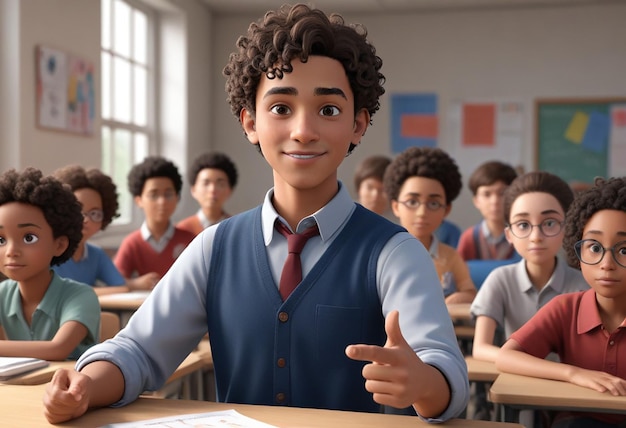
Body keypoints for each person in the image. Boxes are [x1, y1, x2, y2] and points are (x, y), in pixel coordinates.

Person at [42, 4, 469, 423]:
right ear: (249, 123)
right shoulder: (214, 247)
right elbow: (138, 351)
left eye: (329, 110)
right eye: (281, 108)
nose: (303, 130)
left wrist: (424, 384)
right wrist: (85, 388)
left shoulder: (394, 252)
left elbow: (444, 371)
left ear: (358, 124)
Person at [496, 176, 626, 428]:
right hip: (579, 421)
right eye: (595, 248)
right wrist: (573, 374)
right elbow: (506, 357)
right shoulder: (566, 308)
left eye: (624, 250)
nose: (606, 264)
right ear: (577, 249)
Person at [471, 171, 588, 363]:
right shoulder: (500, 279)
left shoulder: (583, 284)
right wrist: (551, 370)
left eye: (549, 223)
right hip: (516, 386)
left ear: (567, 228)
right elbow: (480, 348)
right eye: (523, 225)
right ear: (509, 235)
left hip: (568, 389)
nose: (536, 236)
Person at [0, 168, 100, 360]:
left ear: (59, 244)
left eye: (29, 237)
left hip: (74, 388)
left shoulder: (81, 296)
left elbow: (58, 349)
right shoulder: (2, 293)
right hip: (21, 389)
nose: (11, 251)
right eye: (0, 240)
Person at [383, 146, 477, 305]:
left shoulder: (450, 257)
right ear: (396, 206)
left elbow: (470, 294)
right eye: (412, 202)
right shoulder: (383, 255)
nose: (422, 212)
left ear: (446, 210)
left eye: (433, 203)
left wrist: (453, 301)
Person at [113, 156, 195, 290]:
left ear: (177, 198)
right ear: (138, 200)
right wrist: (135, 284)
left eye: (168, 194)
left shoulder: (190, 239)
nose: (162, 202)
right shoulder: (132, 243)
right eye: (153, 195)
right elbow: (114, 281)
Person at [52, 165, 128, 295]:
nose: (86, 220)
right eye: (78, 210)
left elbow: (121, 287)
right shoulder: (49, 253)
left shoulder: (96, 254)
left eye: (94, 213)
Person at [457, 160, 518, 262]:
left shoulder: (522, 235)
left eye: (502, 193)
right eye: (487, 194)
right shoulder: (469, 238)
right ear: (476, 201)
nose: (494, 201)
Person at [177, 152, 238, 236]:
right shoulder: (183, 230)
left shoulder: (236, 228)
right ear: (193, 190)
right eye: (206, 183)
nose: (212, 189)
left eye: (220, 184)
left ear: (230, 190)